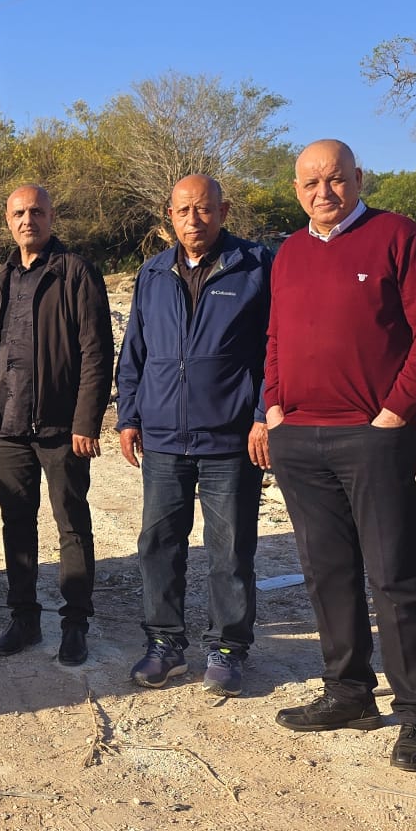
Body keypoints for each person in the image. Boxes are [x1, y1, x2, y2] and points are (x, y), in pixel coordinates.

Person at [262, 139, 416, 772]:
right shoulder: (289, 252)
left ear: (358, 179)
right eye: (311, 183)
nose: (324, 192)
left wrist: (396, 410)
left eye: (336, 179)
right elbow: (275, 335)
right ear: (296, 190)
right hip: (300, 437)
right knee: (326, 572)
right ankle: (348, 692)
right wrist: (274, 405)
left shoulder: (398, 237)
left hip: (375, 437)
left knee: (395, 578)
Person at [116, 175, 271, 696]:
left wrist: (262, 414)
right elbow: (134, 351)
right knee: (158, 544)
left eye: (203, 209)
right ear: (170, 216)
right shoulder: (153, 273)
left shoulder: (254, 266)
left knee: (230, 548)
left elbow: (275, 349)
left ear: (223, 211)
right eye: (183, 211)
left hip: (230, 438)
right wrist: (129, 416)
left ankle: (227, 648)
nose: (193, 220)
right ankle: (164, 644)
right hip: (163, 437)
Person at [0, 184, 114, 666]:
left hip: (61, 429)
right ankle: (24, 618)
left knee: (72, 526)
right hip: (7, 427)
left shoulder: (75, 272)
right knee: (16, 525)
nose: (27, 220)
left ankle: (75, 623)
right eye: (18, 213)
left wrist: (86, 421)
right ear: (8, 221)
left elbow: (97, 351)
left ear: (51, 216)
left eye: (36, 211)